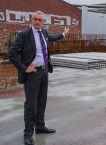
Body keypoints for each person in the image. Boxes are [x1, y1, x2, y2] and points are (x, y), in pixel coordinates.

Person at [8, 11, 70, 145]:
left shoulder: (44, 33)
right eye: (35, 19)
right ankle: (28, 134)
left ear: (43, 21)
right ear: (31, 20)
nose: (37, 22)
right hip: (33, 74)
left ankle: (40, 126)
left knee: (42, 100)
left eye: (40, 20)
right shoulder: (24, 35)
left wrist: (64, 34)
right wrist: (25, 68)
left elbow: (52, 37)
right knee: (31, 104)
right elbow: (12, 53)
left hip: (44, 71)